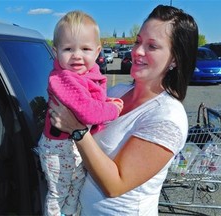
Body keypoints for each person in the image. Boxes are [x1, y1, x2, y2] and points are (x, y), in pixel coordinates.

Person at [48, 5, 199, 215]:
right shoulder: (118, 91)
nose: (137, 51)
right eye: (138, 41)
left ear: (174, 59)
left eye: (152, 46)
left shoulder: (167, 117)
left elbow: (115, 185)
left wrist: (77, 130)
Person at [38, 11, 123, 216]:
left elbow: (91, 100)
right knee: (59, 193)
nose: (77, 55)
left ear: (97, 51)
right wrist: (113, 109)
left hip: (74, 147)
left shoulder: (86, 75)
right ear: (56, 51)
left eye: (85, 48)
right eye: (68, 49)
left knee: (75, 187)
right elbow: (87, 112)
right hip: (58, 149)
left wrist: (105, 101)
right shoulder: (63, 78)